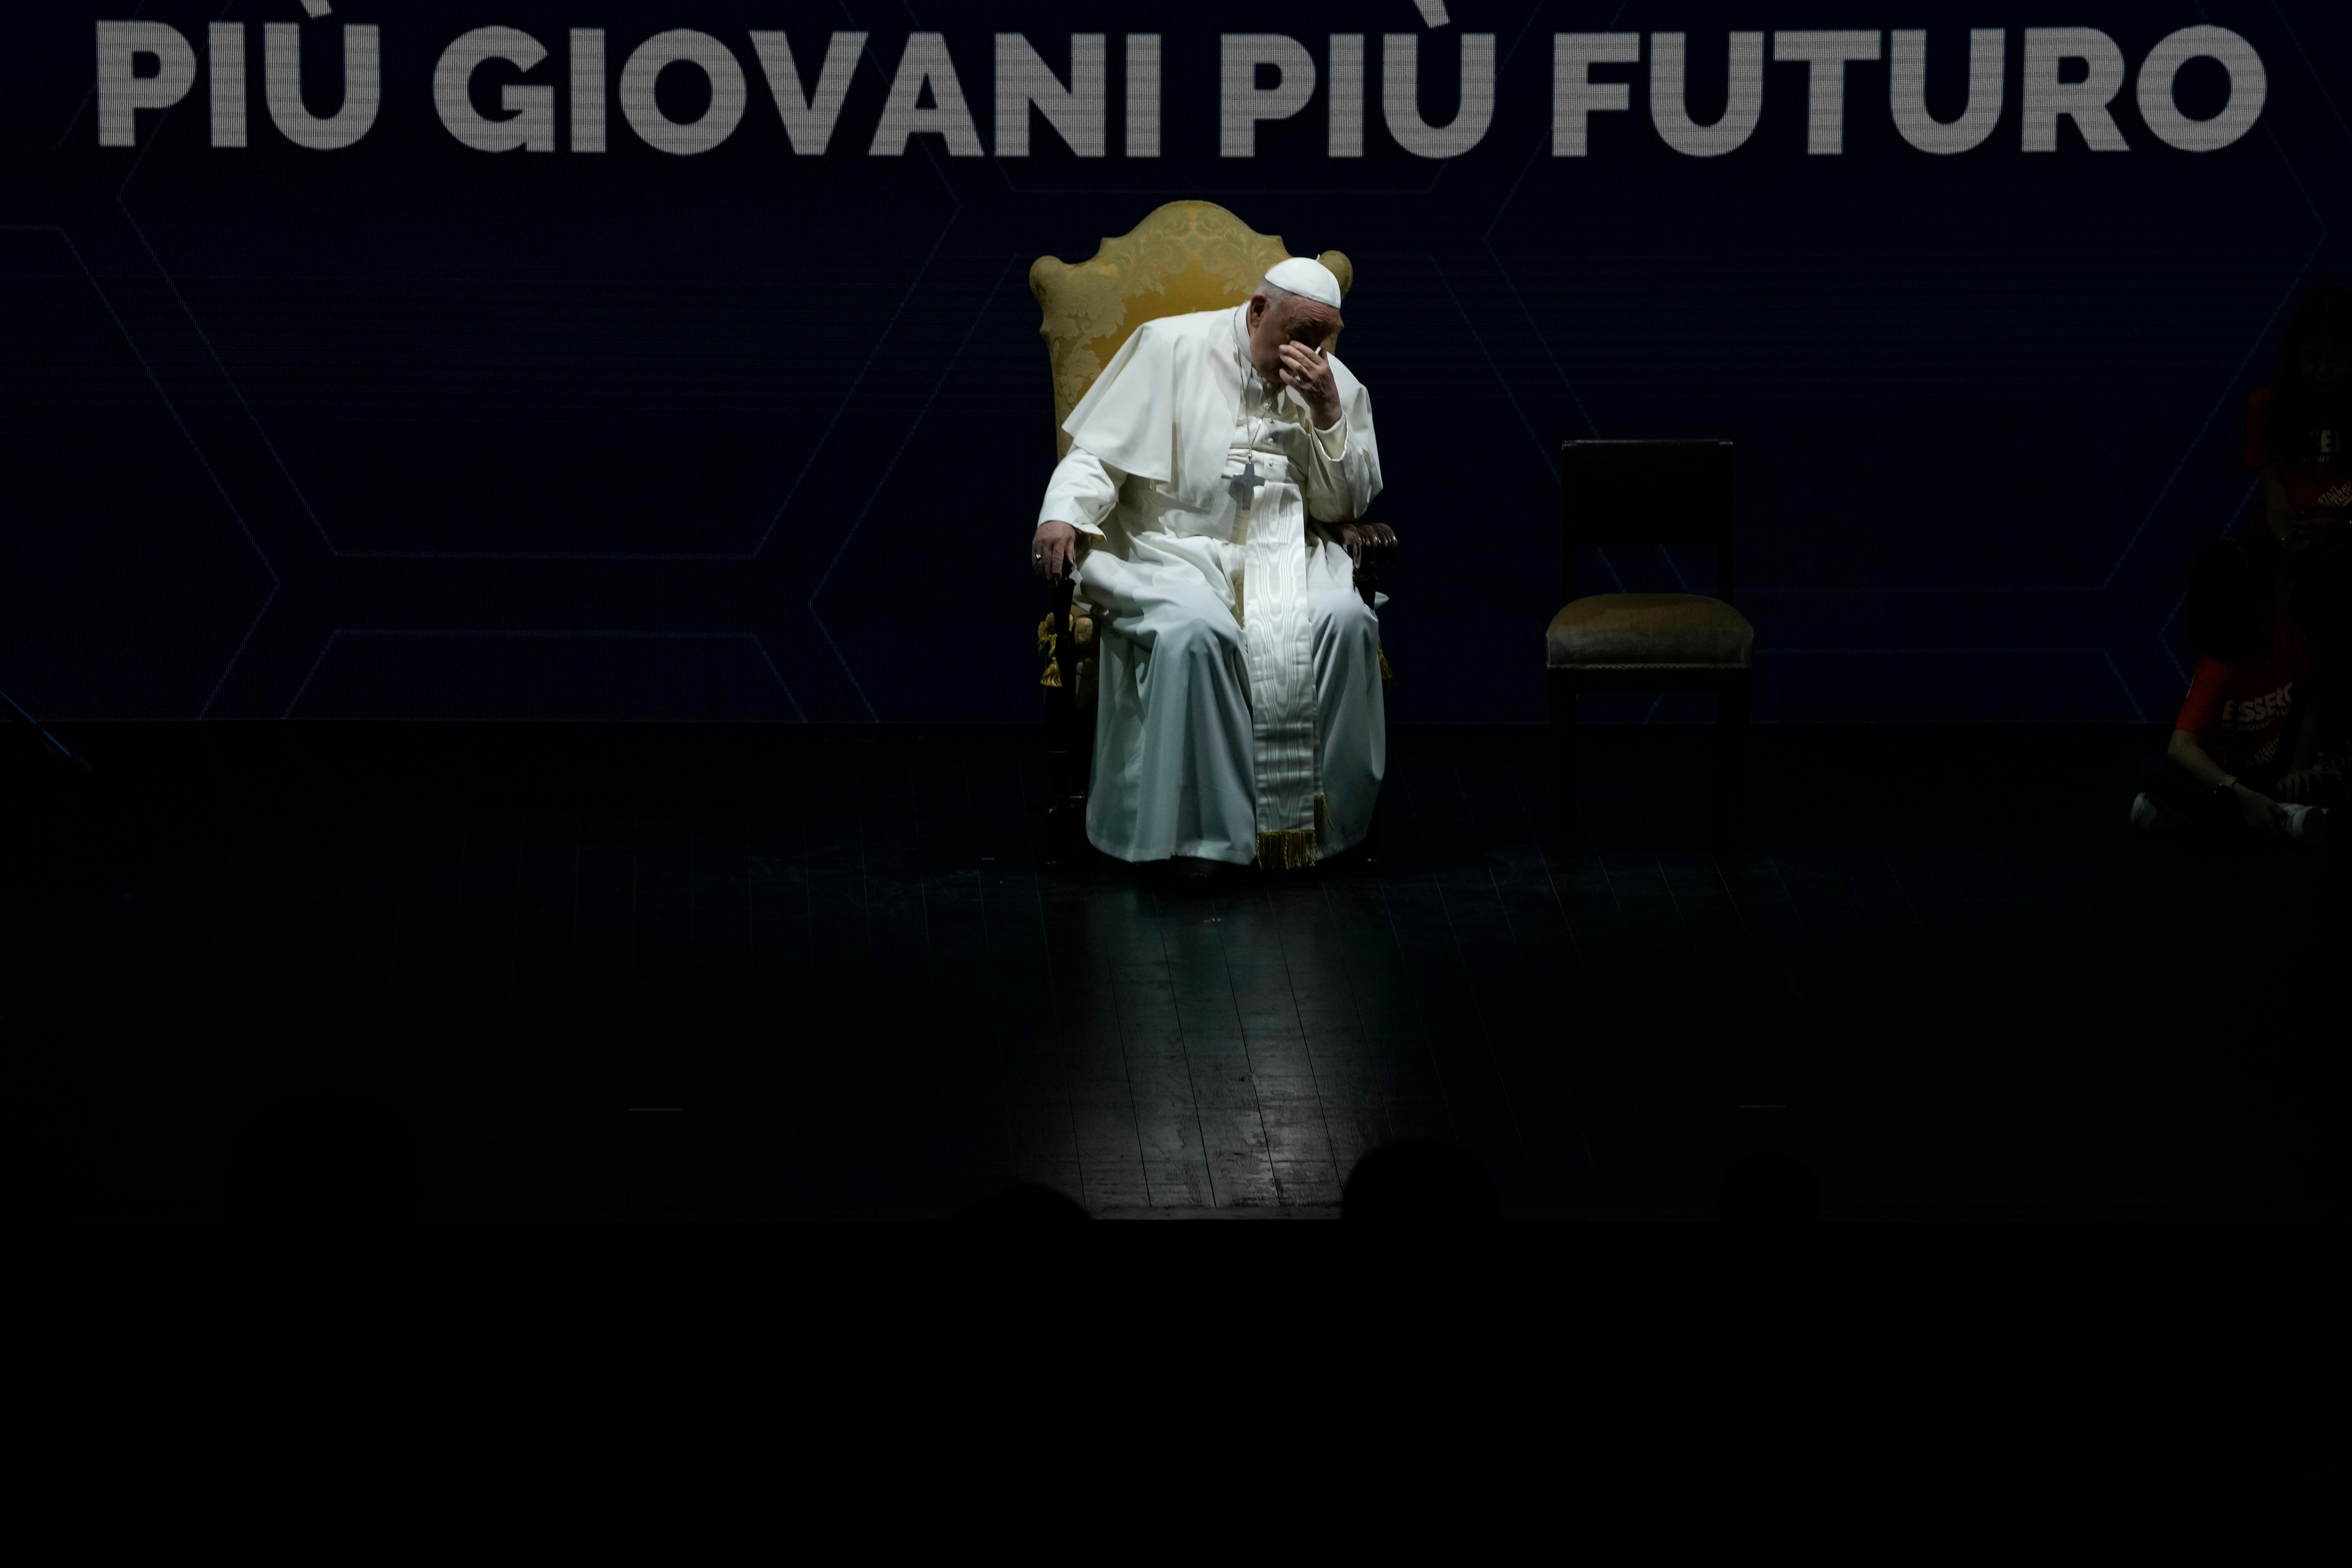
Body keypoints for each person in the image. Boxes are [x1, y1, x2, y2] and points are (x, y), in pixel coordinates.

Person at [1029, 258, 1393, 883]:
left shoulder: (1328, 383)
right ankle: (1202, 841)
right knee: (1200, 633)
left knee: (1344, 620)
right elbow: (1096, 454)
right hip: (1173, 548)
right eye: (1300, 332)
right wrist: (1061, 514)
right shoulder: (1169, 347)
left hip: (1286, 551)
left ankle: (1321, 834)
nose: (1311, 351)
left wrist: (1330, 414)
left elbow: (1345, 507)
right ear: (1258, 312)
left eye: (1323, 338)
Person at [2132, 535, 2331, 846]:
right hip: (2222, 781)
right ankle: (2280, 818)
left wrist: (2298, 769)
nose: (2290, 588)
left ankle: (2185, 820)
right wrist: (2239, 793)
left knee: (2326, 786)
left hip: (2270, 774)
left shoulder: (2292, 636)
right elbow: (2180, 746)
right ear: (2258, 602)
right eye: (2281, 584)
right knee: (2155, 770)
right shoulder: (2220, 667)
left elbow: (2316, 703)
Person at [2245, 285, 2352, 755]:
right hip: (2288, 549)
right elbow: (2272, 489)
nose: (2323, 370)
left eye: (2336, 359)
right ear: (2296, 355)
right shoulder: (2267, 406)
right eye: (2312, 358)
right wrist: (2291, 540)